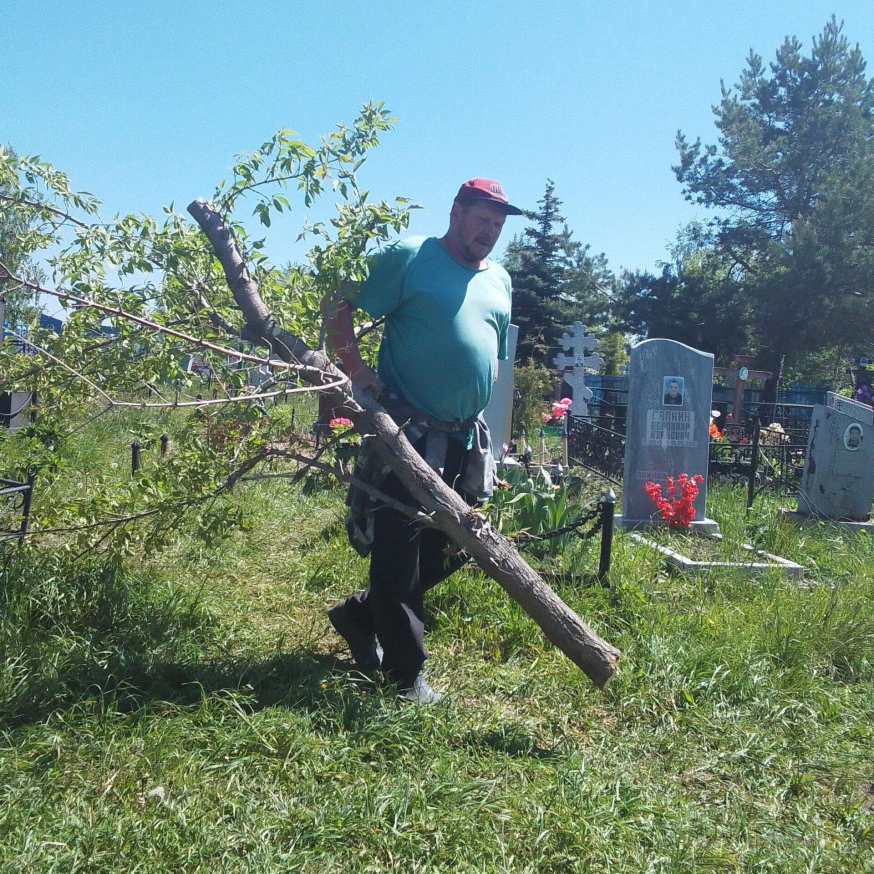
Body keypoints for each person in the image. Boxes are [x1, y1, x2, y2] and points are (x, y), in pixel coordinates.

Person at [322, 178, 522, 704]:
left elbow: (492, 349)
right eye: (482, 219)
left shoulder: (500, 279)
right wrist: (357, 369)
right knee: (398, 552)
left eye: (498, 225)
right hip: (407, 433)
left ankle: (359, 616)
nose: (490, 231)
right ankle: (405, 676)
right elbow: (338, 302)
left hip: (464, 437)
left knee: (457, 543)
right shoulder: (411, 257)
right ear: (456, 211)